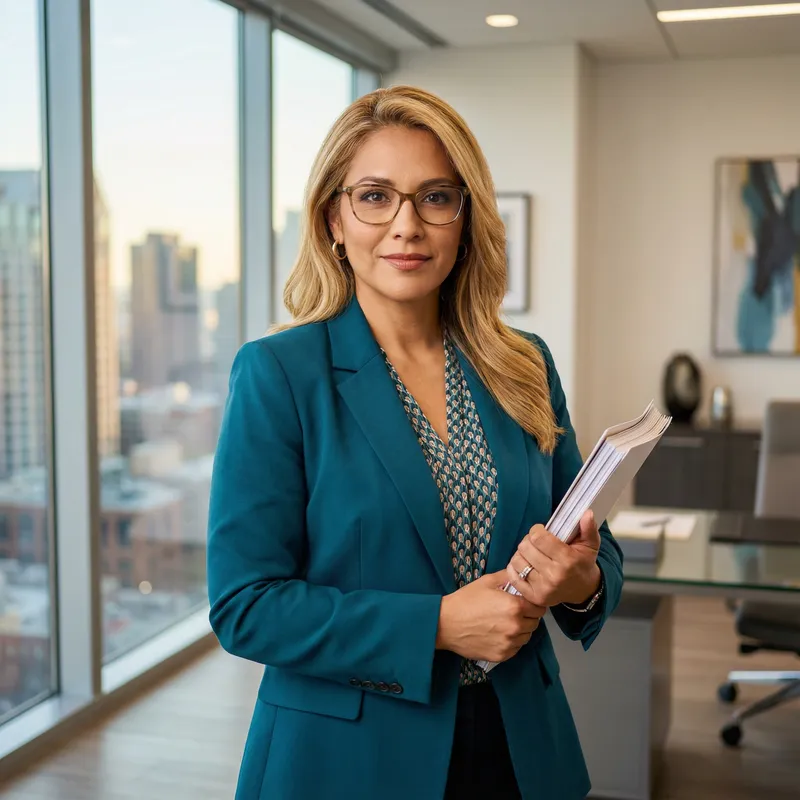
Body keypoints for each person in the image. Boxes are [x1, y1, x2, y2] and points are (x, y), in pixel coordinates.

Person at [207, 84, 623, 800]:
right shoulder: (280, 374)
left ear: (465, 219)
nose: (407, 225)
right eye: (375, 196)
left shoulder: (522, 362)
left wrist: (579, 579)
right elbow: (246, 604)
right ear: (333, 218)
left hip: (519, 745)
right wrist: (437, 625)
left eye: (435, 198)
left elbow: (591, 541)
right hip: (348, 759)